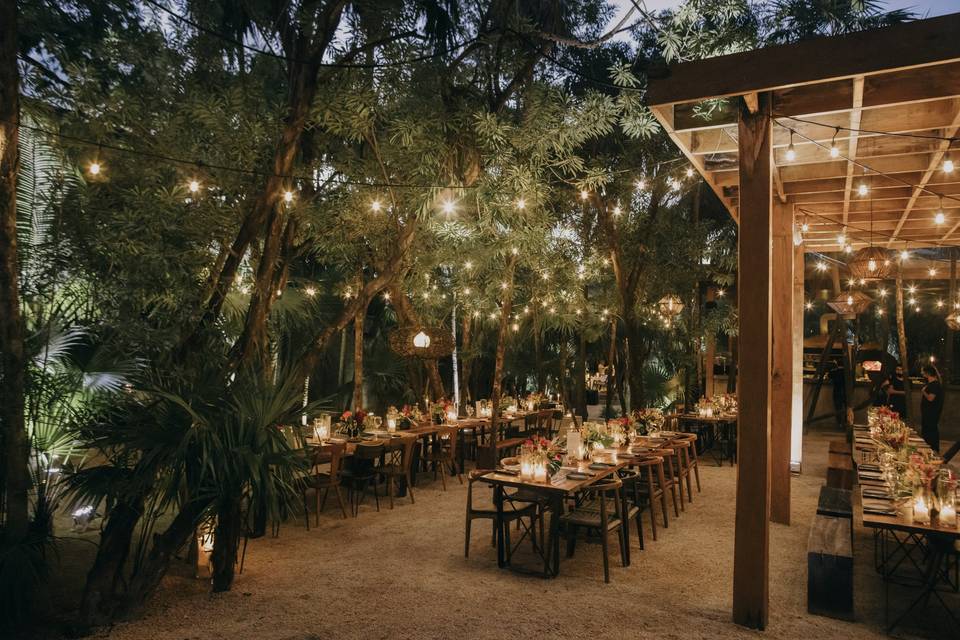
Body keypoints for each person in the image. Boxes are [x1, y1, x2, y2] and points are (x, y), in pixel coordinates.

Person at [919, 364, 944, 453]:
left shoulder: (935, 385)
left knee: (930, 431)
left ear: (928, 373)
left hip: (931, 413)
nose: (922, 373)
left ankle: (933, 449)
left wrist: (923, 392)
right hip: (927, 413)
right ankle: (928, 449)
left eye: (923, 371)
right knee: (927, 431)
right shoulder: (931, 384)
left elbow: (930, 398)